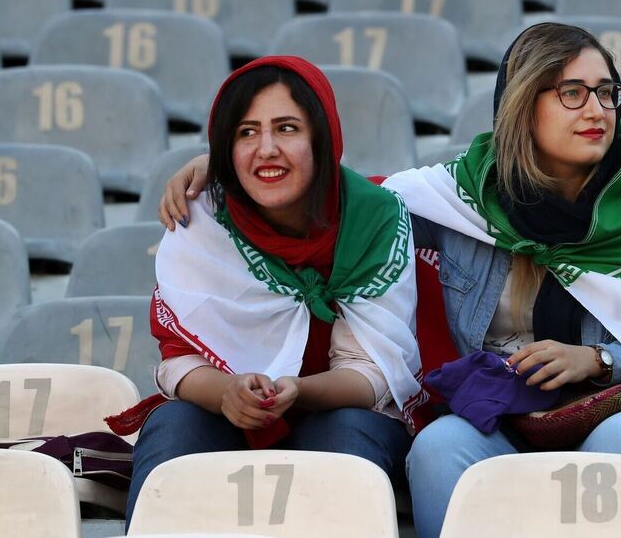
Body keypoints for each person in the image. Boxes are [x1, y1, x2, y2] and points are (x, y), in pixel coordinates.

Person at [157, 25, 621, 538]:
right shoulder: (459, 199)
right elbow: (344, 202)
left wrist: (597, 359)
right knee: (439, 445)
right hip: (504, 418)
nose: (597, 109)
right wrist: (229, 166)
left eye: (607, 92)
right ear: (522, 104)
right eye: (572, 93)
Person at [121, 55, 429, 525]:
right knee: (174, 424)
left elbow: (371, 375)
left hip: (339, 408)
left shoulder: (374, 219)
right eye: (246, 133)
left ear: (322, 140)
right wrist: (227, 393)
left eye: (287, 129)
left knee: (345, 433)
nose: (265, 149)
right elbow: (177, 361)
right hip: (228, 409)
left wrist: (297, 390)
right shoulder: (202, 216)